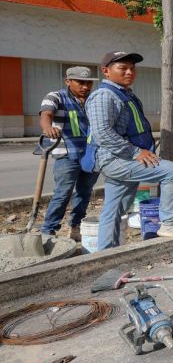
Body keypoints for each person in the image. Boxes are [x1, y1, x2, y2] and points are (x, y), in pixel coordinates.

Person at [84, 51, 173, 249]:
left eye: (132, 68)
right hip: (116, 159)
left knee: (113, 209)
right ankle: (168, 223)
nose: (129, 72)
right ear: (106, 71)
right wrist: (136, 153)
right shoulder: (104, 96)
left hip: (120, 158)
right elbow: (103, 133)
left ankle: (104, 254)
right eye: (123, 68)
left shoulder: (123, 94)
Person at [38, 66, 101, 241]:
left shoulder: (94, 100)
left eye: (89, 83)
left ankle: (76, 226)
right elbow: (46, 113)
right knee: (63, 193)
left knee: (84, 192)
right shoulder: (56, 96)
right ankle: (48, 231)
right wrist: (47, 128)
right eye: (81, 82)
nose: (86, 87)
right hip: (67, 153)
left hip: (91, 153)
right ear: (68, 81)